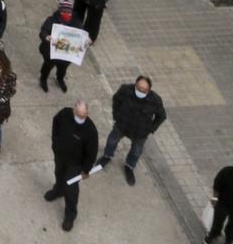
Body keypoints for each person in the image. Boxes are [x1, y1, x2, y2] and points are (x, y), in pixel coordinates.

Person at [96, 75, 167, 186]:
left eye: (144, 90)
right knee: (111, 141)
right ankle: (107, 156)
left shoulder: (155, 101)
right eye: (138, 88)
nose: (140, 91)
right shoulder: (125, 90)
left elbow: (161, 116)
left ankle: (129, 167)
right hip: (122, 125)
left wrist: (150, 129)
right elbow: (116, 100)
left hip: (140, 132)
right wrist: (116, 115)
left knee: (136, 152)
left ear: (149, 90)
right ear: (135, 85)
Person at [45, 99, 100, 232]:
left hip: (75, 165)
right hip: (60, 156)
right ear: (74, 110)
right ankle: (58, 191)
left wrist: (85, 170)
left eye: (84, 115)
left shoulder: (91, 131)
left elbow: (92, 153)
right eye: (79, 114)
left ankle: (70, 216)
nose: (81, 117)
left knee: (71, 189)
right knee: (58, 174)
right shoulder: (64, 114)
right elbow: (55, 122)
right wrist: (55, 142)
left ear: (87, 114)